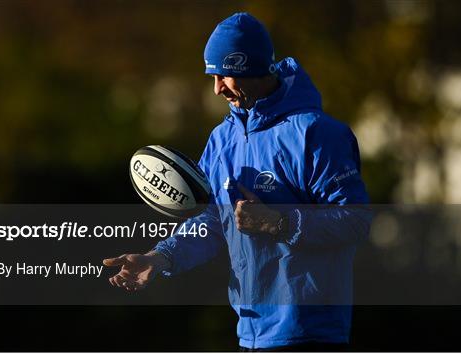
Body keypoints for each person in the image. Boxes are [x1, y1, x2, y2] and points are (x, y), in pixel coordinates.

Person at [104, 12, 371, 351]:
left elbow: (356, 220)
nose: (217, 89)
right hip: (251, 332)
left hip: (311, 333)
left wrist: (279, 223)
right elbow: (212, 221)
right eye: (212, 77)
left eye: (224, 76)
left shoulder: (316, 134)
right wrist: (160, 258)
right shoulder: (221, 140)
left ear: (250, 67)